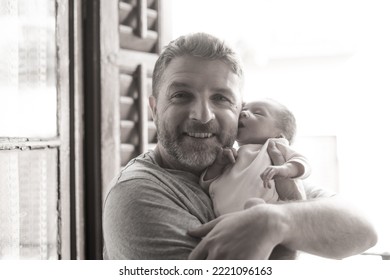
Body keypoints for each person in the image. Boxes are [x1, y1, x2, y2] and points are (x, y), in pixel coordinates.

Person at [103, 32, 377, 260]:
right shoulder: (138, 193)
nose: (203, 116)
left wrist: (273, 221)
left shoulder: (252, 166)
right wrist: (291, 227)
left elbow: (363, 230)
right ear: (154, 109)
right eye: (181, 95)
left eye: (221, 98)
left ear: (239, 111)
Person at [200, 99, 310, 217]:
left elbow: (304, 164)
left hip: (267, 213)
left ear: (279, 135)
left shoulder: (275, 146)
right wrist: (218, 165)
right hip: (225, 219)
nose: (243, 113)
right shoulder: (232, 155)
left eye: (258, 113)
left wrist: (286, 169)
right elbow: (206, 185)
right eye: (244, 110)